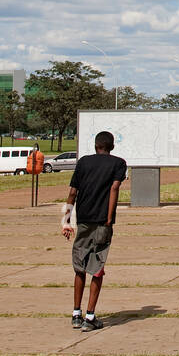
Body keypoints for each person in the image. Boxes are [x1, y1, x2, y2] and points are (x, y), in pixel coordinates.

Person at [61, 131, 127, 331]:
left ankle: (76, 314)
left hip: (83, 221)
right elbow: (114, 189)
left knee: (79, 268)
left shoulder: (83, 163)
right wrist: (108, 218)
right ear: (112, 146)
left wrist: (65, 222)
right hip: (101, 222)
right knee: (97, 269)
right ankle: (90, 317)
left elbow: (73, 193)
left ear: (95, 145)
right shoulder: (118, 163)